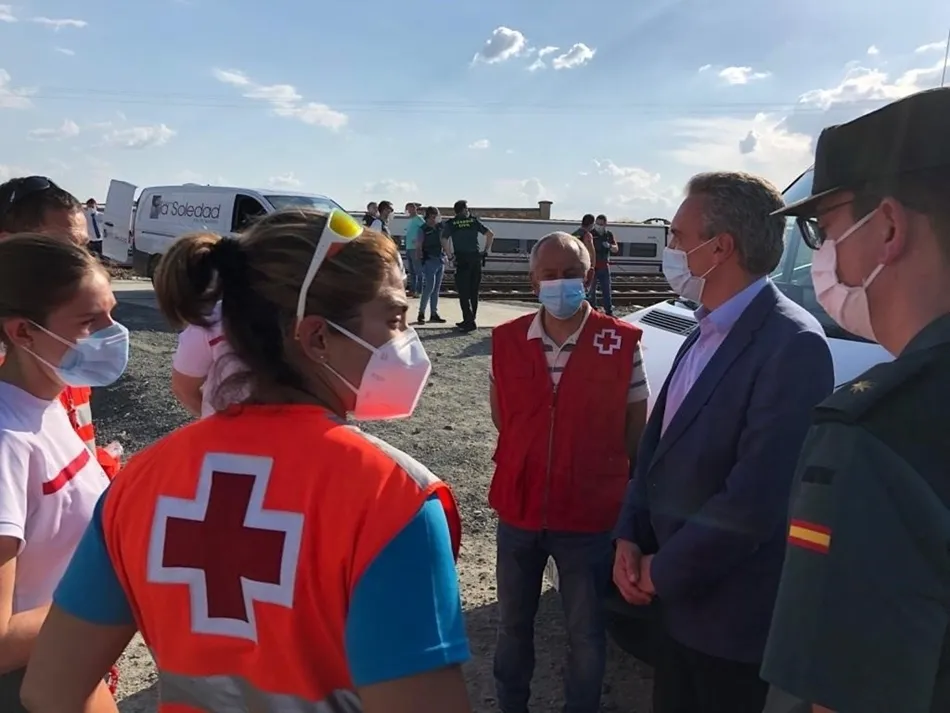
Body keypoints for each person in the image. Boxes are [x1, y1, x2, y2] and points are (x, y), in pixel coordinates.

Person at [21, 208, 473, 713]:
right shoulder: (393, 496)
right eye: (393, 318)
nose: (406, 339)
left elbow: (50, 690)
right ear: (317, 337)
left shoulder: (141, 481)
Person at [612, 172, 835, 713]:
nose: (671, 249)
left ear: (721, 247)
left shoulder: (794, 345)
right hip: (675, 609)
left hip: (731, 625)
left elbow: (757, 497)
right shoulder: (703, 326)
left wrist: (661, 570)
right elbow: (656, 452)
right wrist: (628, 537)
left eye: (678, 236)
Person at [759, 88, 950, 713]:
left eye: (825, 227)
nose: (820, 252)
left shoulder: (879, 432)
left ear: (888, 227)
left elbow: (838, 692)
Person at [489, 231, 649, 713]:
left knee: (586, 634)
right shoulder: (507, 340)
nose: (561, 284)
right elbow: (504, 417)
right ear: (534, 278)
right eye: (550, 275)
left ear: (590, 272)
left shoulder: (620, 342)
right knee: (512, 627)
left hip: (589, 515)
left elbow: (635, 433)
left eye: (570, 275)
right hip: (519, 511)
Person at [0, 234, 126, 713]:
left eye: (112, 313)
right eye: (90, 321)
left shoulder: (48, 400)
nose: (113, 333)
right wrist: (121, 588)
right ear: (23, 332)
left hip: (64, 674)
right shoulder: (8, 441)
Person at [0, 176, 120, 479]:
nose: (79, 260)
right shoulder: (26, 352)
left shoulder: (60, 343)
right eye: (62, 246)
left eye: (83, 247)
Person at [157, 236, 247, 419]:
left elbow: (184, 389)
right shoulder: (282, 312)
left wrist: (217, 422)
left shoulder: (205, 329)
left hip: (232, 440)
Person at [442, 200, 494, 333]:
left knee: (463, 292)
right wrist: (485, 250)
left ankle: (468, 321)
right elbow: (490, 234)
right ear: (464, 210)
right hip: (475, 259)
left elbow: (444, 239)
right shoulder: (473, 222)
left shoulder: (452, 224)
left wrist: (449, 256)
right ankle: (471, 319)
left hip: (462, 260)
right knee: (473, 291)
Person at [416, 206, 447, 325]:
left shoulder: (440, 227)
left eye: (436, 216)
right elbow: (419, 246)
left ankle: (434, 313)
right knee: (429, 288)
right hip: (429, 260)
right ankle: (421, 313)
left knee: (436, 289)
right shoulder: (423, 229)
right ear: (428, 217)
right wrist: (420, 260)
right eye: (433, 216)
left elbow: (445, 240)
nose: (434, 219)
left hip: (440, 259)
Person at [589, 215, 618, 315]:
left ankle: (608, 311)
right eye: (597, 224)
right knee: (591, 291)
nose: (599, 226)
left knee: (606, 290)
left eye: (601, 224)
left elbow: (616, 249)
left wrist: (609, 246)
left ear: (605, 224)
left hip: (604, 267)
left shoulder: (608, 235)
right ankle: (593, 310)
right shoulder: (591, 234)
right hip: (592, 266)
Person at [405, 202, 424, 297]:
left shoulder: (419, 219)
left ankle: (419, 291)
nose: (407, 211)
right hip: (408, 247)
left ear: (413, 209)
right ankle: (412, 290)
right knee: (411, 271)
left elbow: (425, 229)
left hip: (415, 248)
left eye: (409, 209)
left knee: (418, 270)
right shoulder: (410, 220)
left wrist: (418, 240)